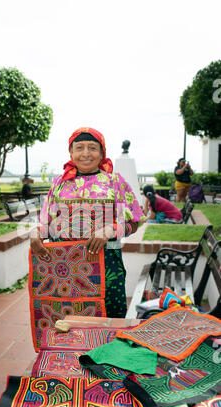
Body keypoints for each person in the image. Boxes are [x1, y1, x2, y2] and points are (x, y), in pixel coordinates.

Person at [30, 127, 145, 318]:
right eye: (79, 147)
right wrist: (36, 233)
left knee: (109, 323)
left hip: (107, 269)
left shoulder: (115, 182)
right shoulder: (59, 183)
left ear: (102, 153)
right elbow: (46, 223)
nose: (85, 153)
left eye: (92, 148)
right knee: (69, 323)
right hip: (64, 269)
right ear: (71, 152)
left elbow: (133, 222)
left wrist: (109, 230)